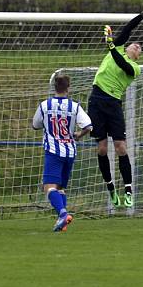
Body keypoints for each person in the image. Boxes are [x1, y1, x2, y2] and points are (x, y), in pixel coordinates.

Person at [88, 3, 143, 209]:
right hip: (97, 99)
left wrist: (110, 45)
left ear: (138, 57)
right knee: (101, 149)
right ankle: (110, 188)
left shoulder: (135, 68)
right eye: (134, 44)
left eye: (140, 49)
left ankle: (128, 191)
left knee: (120, 147)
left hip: (113, 104)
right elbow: (128, 29)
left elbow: (122, 64)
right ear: (126, 46)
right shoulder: (116, 47)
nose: (137, 46)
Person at [32, 74, 92, 232]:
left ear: (54, 88)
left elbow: (35, 125)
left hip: (53, 151)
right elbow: (88, 126)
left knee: (49, 187)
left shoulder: (45, 105)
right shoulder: (75, 106)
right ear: (68, 88)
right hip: (70, 152)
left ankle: (63, 213)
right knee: (60, 188)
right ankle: (62, 222)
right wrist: (78, 134)